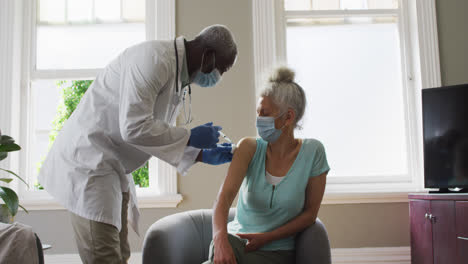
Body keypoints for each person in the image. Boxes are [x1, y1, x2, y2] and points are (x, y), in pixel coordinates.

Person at [38, 25, 237, 264]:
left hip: (111, 168)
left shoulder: (175, 74)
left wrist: (201, 155)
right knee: (104, 258)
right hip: (88, 164)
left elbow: (152, 137)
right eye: (221, 70)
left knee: (119, 256)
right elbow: (134, 128)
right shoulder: (153, 60)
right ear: (208, 57)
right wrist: (190, 136)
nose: (218, 78)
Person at [203, 67, 330, 264]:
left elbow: (310, 214)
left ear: (288, 117)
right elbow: (225, 196)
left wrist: (267, 238)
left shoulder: (314, 152)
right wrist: (219, 238)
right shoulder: (249, 147)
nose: (258, 120)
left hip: (277, 251)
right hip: (236, 242)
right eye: (258, 112)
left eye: (265, 113)